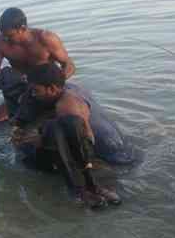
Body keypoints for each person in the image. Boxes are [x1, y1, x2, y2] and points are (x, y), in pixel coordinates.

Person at [11, 64, 121, 209]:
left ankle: (82, 188)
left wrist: (38, 139)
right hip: (65, 150)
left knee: (55, 128)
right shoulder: (50, 97)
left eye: (36, 91)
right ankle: (85, 188)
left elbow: (84, 138)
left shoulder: (67, 107)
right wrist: (19, 130)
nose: (33, 94)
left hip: (74, 151)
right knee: (54, 127)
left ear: (52, 88)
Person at [0, 7, 76, 125]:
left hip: (45, 90)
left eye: (9, 36)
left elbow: (68, 64)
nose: (6, 39)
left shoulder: (46, 39)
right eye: (3, 35)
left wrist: (56, 83)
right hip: (20, 88)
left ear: (22, 28)